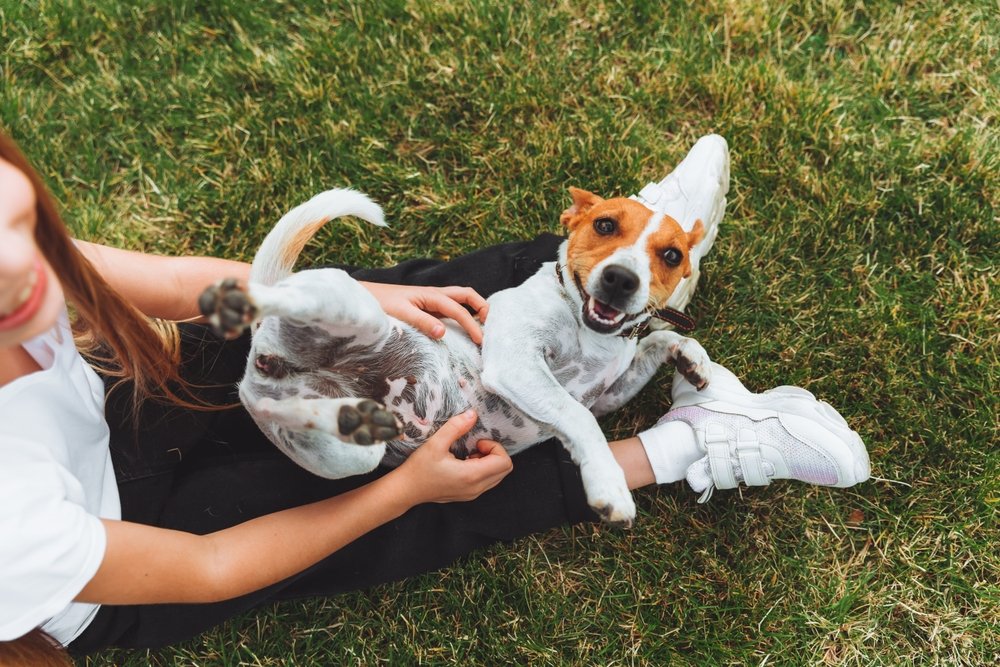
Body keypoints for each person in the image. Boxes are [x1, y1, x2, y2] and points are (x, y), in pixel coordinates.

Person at [0, 130, 869, 661]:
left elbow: (173, 287)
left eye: (14, 221)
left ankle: (645, 241)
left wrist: (360, 293)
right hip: (128, 557)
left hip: (111, 401)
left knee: (387, 313)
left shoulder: (19, 262)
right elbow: (210, 567)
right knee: (433, 474)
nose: (19, 260)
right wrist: (401, 490)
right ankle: (691, 442)